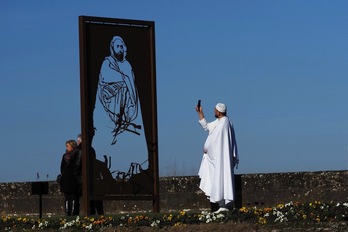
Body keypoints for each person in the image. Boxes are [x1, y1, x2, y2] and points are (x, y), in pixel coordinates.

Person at [196, 102, 239, 213]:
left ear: (218, 112)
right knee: (218, 177)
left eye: (215, 110)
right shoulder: (221, 121)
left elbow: (214, 139)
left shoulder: (224, 123)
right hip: (219, 156)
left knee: (222, 177)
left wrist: (206, 148)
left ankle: (224, 204)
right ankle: (222, 204)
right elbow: (207, 127)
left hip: (221, 157)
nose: (214, 111)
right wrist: (200, 113)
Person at [97, 35, 140, 145]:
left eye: (121, 46)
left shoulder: (126, 64)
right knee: (123, 86)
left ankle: (125, 118)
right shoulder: (107, 62)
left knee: (125, 87)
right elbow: (105, 77)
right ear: (113, 47)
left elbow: (131, 80)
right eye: (117, 46)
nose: (120, 49)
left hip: (125, 96)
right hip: (111, 96)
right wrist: (122, 79)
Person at [77, 134, 104, 215]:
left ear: (79, 140)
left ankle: (91, 212)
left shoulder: (78, 150)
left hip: (82, 177)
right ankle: (99, 213)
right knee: (95, 197)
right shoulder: (91, 149)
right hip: (92, 175)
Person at [60, 140, 82, 216]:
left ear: (72, 146)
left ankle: (73, 213)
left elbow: (78, 166)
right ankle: (67, 213)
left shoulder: (78, 153)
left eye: (68, 146)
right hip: (66, 179)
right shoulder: (65, 156)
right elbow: (62, 167)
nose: (67, 147)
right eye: (66, 146)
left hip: (74, 180)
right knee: (67, 197)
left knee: (73, 197)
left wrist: (75, 174)